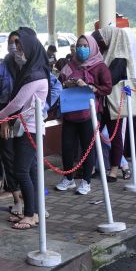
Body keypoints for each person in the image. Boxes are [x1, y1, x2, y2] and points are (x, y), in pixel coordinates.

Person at [0, 27, 49, 230]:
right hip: (25, 127)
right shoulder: (30, 72)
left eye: (21, 48)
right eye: (16, 47)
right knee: (28, 170)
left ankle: (29, 214)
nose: (17, 52)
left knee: (20, 170)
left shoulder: (35, 75)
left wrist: (1, 117)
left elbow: (17, 103)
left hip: (30, 129)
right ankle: (34, 212)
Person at [55, 35, 112, 195]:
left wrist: (90, 87)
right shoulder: (70, 66)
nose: (81, 48)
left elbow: (107, 88)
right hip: (70, 113)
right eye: (79, 45)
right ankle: (68, 178)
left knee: (88, 147)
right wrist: (66, 84)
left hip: (90, 114)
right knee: (67, 146)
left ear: (92, 47)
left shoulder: (99, 66)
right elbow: (59, 83)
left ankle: (86, 181)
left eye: (85, 45)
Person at [94, 27, 136, 181]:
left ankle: (115, 169)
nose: (102, 41)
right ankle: (121, 166)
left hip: (115, 102)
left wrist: (94, 82)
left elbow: (109, 80)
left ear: (113, 38)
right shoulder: (106, 54)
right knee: (100, 133)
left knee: (114, 135)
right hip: (104, 102)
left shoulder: (120, 58)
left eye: (104, 38)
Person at [0, 34, 20, 209]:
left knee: (22, 157)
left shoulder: (30, 66)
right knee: (7, 156)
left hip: (23, 114)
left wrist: (43, 108)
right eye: (10, 43)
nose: (13, 47)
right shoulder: (2, 68)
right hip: (2, 114)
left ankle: (26, 197)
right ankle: (15, 196)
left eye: (17, 43)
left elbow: (52, 87)